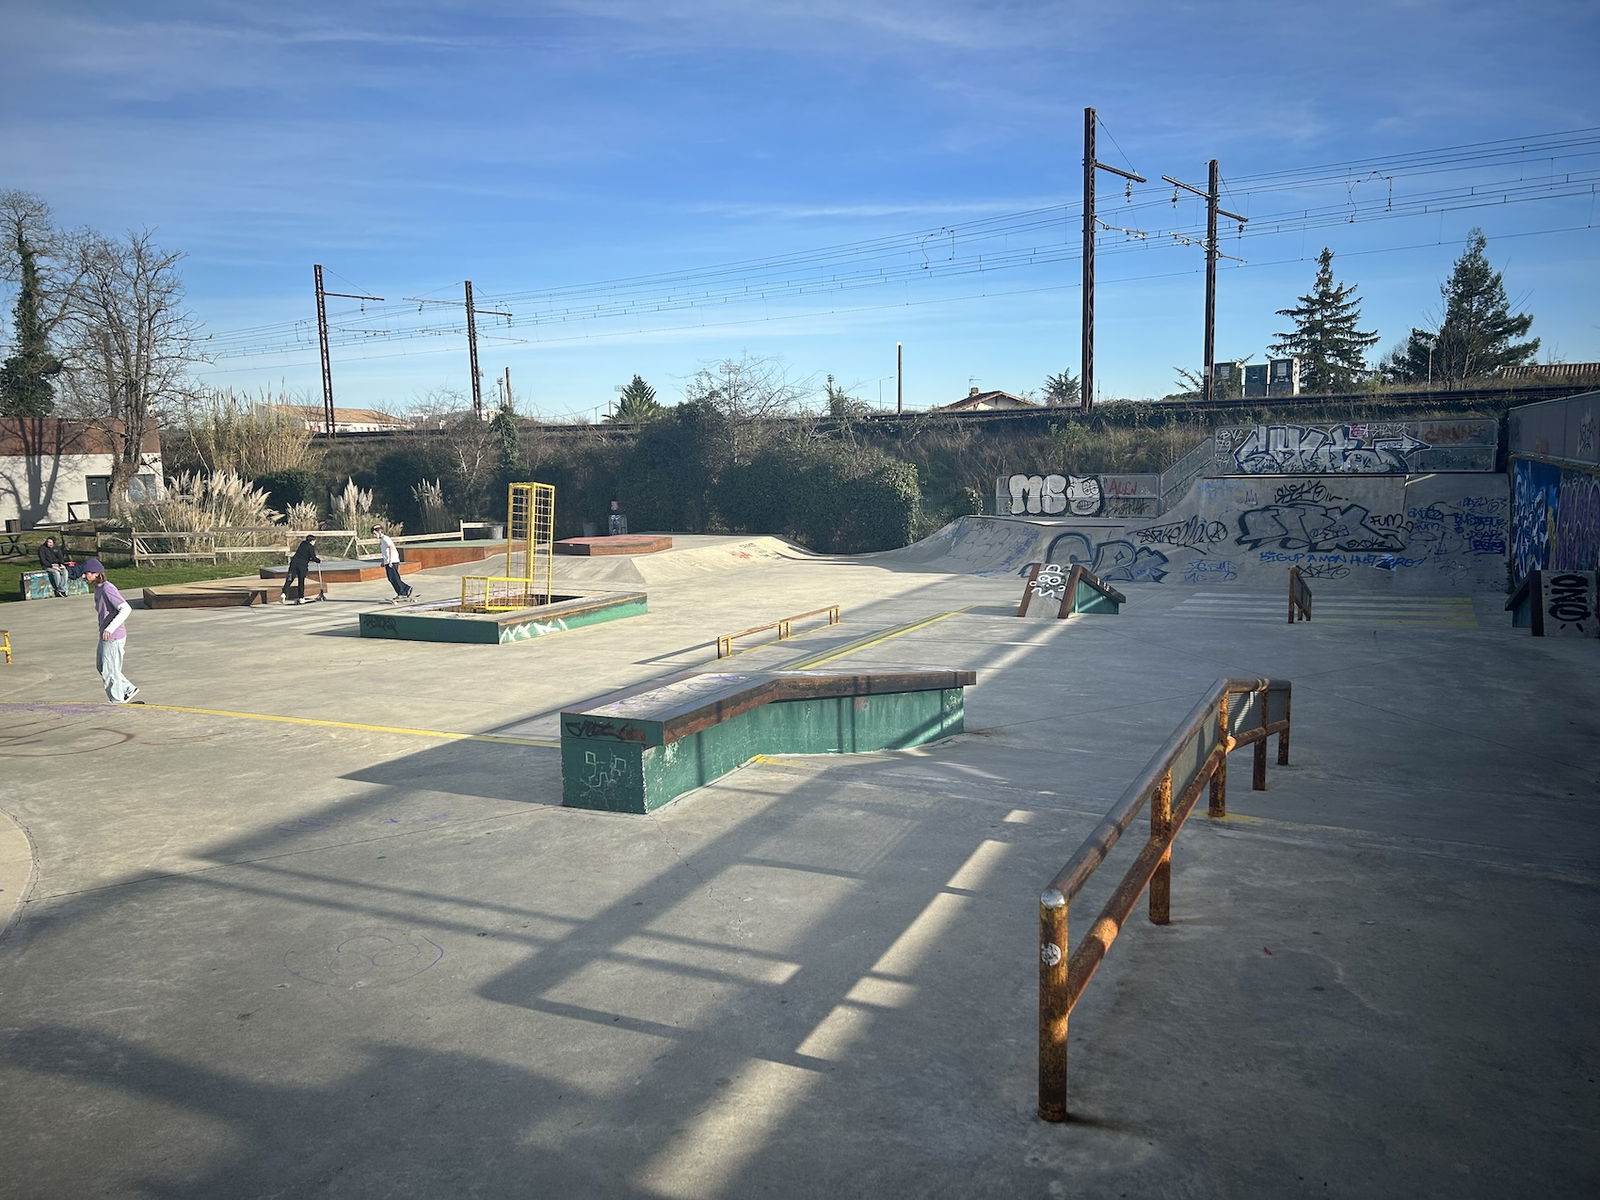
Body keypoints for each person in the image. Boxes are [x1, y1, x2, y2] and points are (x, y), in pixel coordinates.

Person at [81, 558, 139, 704]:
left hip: (113, 636)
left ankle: (117, 701)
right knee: (102, 666)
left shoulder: (107, 588)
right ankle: (127, 689)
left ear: (96, 573)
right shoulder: (98, 588)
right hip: (105, 635)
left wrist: (110, 628)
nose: (84, 576)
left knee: (110, 671)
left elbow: (126, 609)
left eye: (86, 573)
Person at [373, 524, 416, 604]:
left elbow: (391, 547)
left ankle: (405, 590)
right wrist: (383, 561)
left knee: (394, 578)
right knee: (392, 578)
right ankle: (402, 592)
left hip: (392, 561)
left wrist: (390, 561)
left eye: (375, 534)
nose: (374, 536)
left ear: (380, 531)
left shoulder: (385, 539)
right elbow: (385, 552)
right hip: (388, 561)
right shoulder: (382, 540)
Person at [281, 534, 320, 605]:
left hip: (293, 563)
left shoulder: (302, 544)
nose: (314, 543)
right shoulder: (310, 547)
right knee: (301, 581)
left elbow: (304, 554)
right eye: (314, 541)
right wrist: (318, 560)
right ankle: (301, 597)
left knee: (289, 579)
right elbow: (313, 557)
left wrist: (310, 558)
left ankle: (284, 593)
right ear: (311, 541)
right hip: (302, 566)